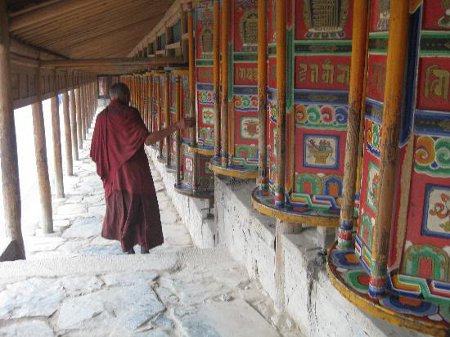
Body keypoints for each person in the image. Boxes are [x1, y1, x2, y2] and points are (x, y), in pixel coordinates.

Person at [90, 82, 193, 254]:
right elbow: (148, 140)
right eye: (129, 96)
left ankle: (128, 248)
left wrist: (111, 162)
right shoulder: (130, 113)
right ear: (123, 96)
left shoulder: (102, 118)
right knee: (142, 207)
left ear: (111, 97)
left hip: (115, 175)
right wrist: (176, 126)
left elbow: (95, 151)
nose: (130, 100)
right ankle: (145, 247)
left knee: (122, 209)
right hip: (136, 173)